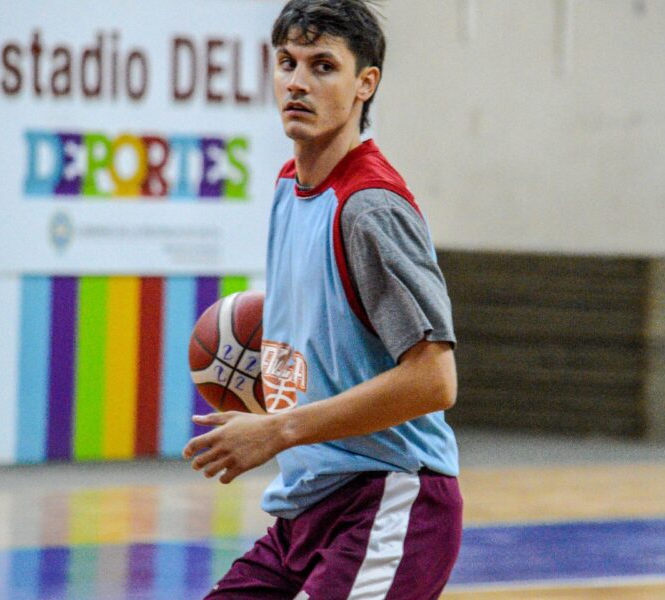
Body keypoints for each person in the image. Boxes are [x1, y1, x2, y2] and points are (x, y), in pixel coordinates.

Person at [183, 1, 462, 597]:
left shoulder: (370, 208)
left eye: (323, 66)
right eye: (287, 63)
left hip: (391, 497)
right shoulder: (290, 186)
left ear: (367, 84)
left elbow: (435, 381)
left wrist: (278, 429)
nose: (298, 82)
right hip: (307, 507)